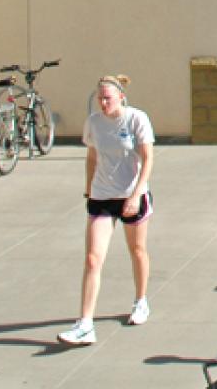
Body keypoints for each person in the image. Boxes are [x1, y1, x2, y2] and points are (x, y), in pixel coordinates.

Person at [58, 75, 155, 346]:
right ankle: (85, 323)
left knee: (137, 250)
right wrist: (89, 191)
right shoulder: (93, 123)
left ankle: (140, 301)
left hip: (130, 195)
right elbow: (92, 157)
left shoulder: (137, 119)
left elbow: (148, 159)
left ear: (121, 97)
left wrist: (136, 195)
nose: (103, 103)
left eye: (108, 98)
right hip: (102, 196)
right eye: (99, 98)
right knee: (92, 259)